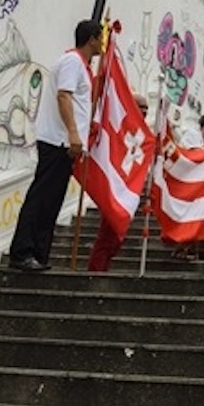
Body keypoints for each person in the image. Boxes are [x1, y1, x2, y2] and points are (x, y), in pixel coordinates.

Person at [9, 19, 104, 272]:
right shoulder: (72, 62)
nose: (102, 44)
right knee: (42, 197)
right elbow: (64, 95)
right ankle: (23, 251)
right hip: (57, 141)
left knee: (52, 201)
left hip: (65, 144)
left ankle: (39, 252)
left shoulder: (81, 66)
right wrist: (73, 133)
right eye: (100, 38)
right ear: (92, 39)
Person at [87, 93, 151, 272]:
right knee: (107, 235)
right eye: (141, 108)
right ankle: (96, 270)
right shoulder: (122, 125)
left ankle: (102, 267)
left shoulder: (141, 131)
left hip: (128, 190)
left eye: (146, 110)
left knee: (116, 239)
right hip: (115, 188)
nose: (144, 113)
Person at [169, 112, 204, 261]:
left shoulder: (201, 141)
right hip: (187, 182)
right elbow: (195, 156)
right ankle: (182, 247)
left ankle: (190, 247)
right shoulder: (193, 135)